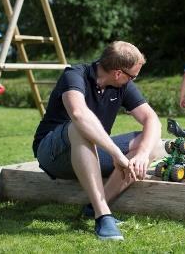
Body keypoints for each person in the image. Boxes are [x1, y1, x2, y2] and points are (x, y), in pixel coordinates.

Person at [32, 41, 166, 241]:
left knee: (154, 143)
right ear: (118, 73)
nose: (134, 80)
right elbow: (78, 114)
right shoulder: (74, 75)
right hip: (53, 153)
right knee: (79, 127)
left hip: (90, 152)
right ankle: (103, 214)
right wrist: (116, 153)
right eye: (133, 76)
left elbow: (151, 119)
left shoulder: (122, 85)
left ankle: (91, 208)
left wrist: (144, 153)